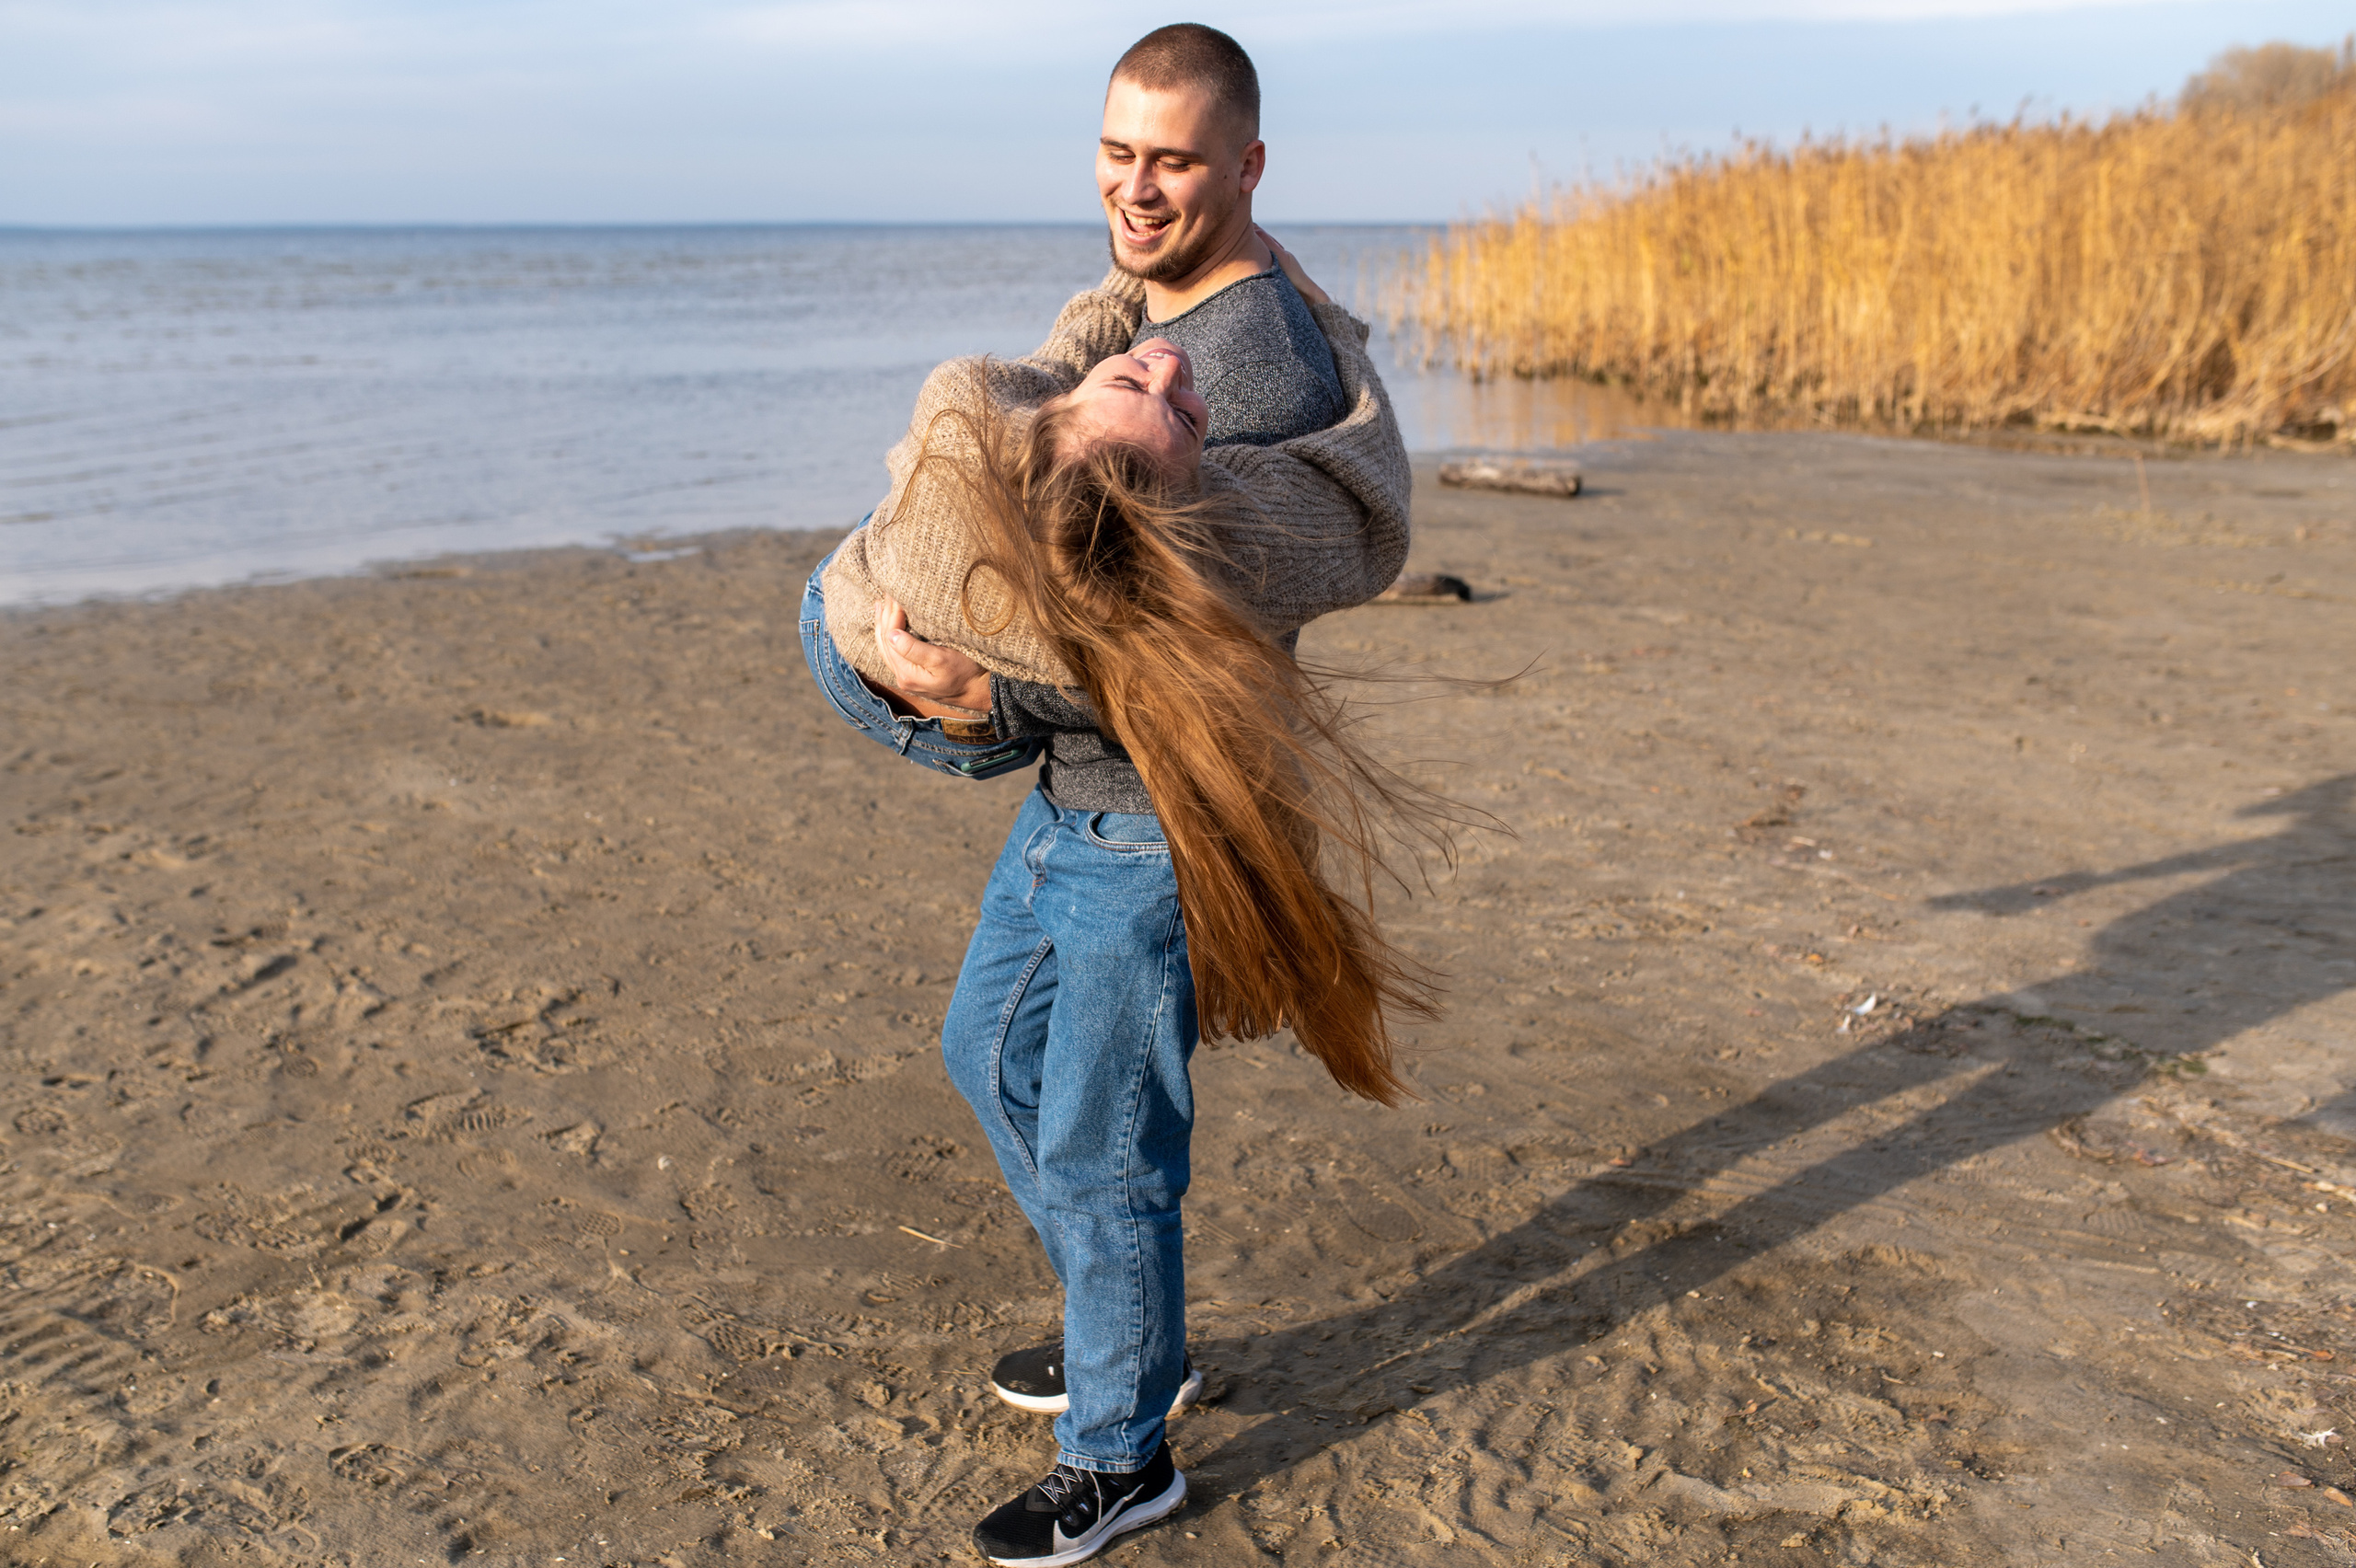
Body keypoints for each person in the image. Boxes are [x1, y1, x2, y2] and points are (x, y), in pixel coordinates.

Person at [797, 26, 1436, 1565]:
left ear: (1247, 171)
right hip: (1080, 806)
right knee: (983, 1054)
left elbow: (1173, 617)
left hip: (1151, 823)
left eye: (1174, 161)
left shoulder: (1245, 360)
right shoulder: (1158, 307)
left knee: (1102, 1146)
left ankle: (1120, 1452)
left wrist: (959, 688)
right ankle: (1129, 1330)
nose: (1136, 188)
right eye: (1116, 151)